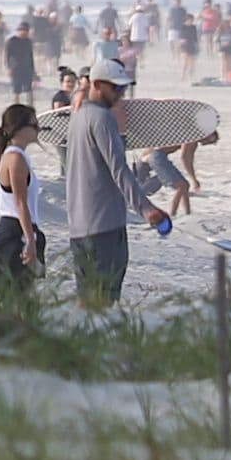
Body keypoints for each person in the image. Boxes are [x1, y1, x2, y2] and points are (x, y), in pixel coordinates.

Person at [64, 59, 167, 308]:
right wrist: (146, 209)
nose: (120, 95)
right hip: (104, 227)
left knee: (85, 303)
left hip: (79, 227)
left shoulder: (78, 117)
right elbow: (118, 169)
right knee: (104, 302)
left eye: (123, 89)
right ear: (97, 84)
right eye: (116, 88)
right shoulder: (101, 118)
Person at [0, 103, 46, 291]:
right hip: (14, 231)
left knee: (22, 295)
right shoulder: (15, 158)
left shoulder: (19, 156)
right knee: (15, 294)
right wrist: (30, 241)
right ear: (19, 128)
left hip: (17, 229)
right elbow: (20, 204)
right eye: (33, 125)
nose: (38, 129)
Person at [5, 21, 37, 105]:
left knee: (29, 90)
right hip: (15, 69)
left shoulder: (28, 41)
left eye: (26, 31)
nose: (24, 33)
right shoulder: (12, 41)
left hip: (27, 69)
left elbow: (31, 57)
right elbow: (7, 56)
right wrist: (9, 68)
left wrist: (33, 71)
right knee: (16, 91)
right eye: (22, 31)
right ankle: (16, 108)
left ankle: (30, 108)